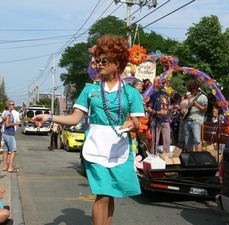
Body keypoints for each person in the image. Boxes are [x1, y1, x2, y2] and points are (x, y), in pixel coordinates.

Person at [31, 34, 145, 225]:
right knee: (102, 194)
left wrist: (131, 124)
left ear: (117, 62)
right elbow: (74, 118)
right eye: (97, 60)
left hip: (119, 146)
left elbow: (138, 122)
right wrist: (49, 117)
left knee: (112, 194)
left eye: (103, 60)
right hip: (96, 146)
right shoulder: (89, 90)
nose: (98, 64)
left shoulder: (131, 92)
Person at [146, 77, 171, 154]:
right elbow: (148, 108)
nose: (162, 84)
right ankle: (153, 154)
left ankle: (166, 156)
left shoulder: (166, 95)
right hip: (156, 119)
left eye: (163, 82)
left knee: (167, 140)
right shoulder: (153, 95)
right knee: (155, 140)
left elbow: (167, 107)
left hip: (166, 120)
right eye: (160, 82)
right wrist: (157, 112)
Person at [184, 80, 208, 152]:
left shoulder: (203, 97)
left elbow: (204, 109)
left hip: (197, 120)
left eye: (194, 88)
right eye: (191, 88)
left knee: (197, 139)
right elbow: (188, 107)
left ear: (197, 88)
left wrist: (196, 104)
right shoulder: (191, 97)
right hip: (188, 120)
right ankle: (191, 157)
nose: (192, 90)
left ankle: (198, 157)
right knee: (188, 141)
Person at [2, 100, 21, 173]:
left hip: (6, 133)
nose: (13, 105)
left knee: (6, 150)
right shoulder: (8, 114)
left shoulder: (6, 113)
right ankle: (10, 168)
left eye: (13, 104)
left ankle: (4, 166)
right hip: (9, 134)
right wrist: (16, 123)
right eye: (12, 104)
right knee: (13, 150)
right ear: (8, 105)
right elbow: (7, 124)